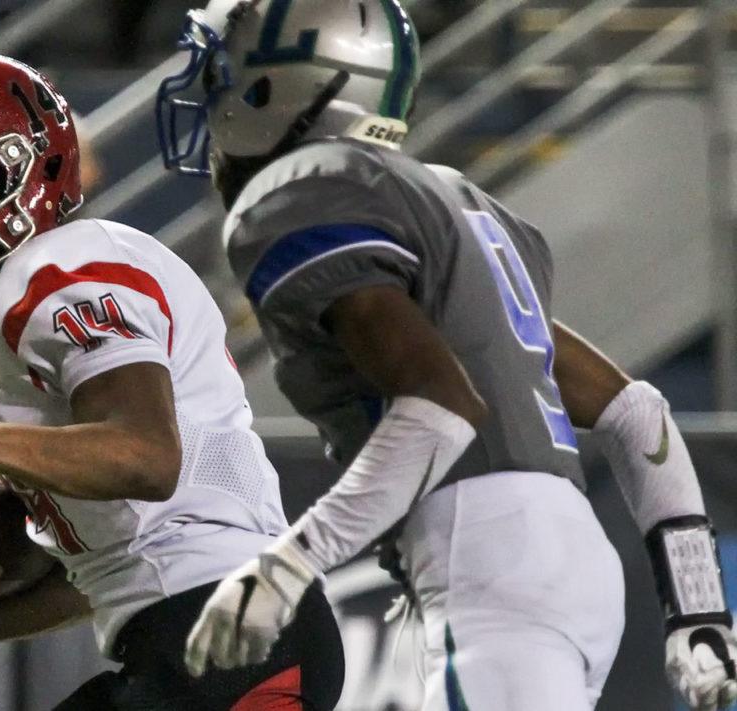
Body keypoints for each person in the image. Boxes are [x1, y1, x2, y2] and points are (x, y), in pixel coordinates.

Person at [155, 1, 737, 709]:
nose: (210, 99)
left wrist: (286, 566)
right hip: (567, 558)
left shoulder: (303, 190)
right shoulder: (456, 198)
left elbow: (439, 410)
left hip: (484, 553)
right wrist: (698, 607)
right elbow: (639, 416)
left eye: (224, 75)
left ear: (285, 87)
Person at [0, 52, 344, 710]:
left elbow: (146, 458)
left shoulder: (62, 268)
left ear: (29, 170)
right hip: (220, 638)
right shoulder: (1, 315)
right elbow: (114, 571)